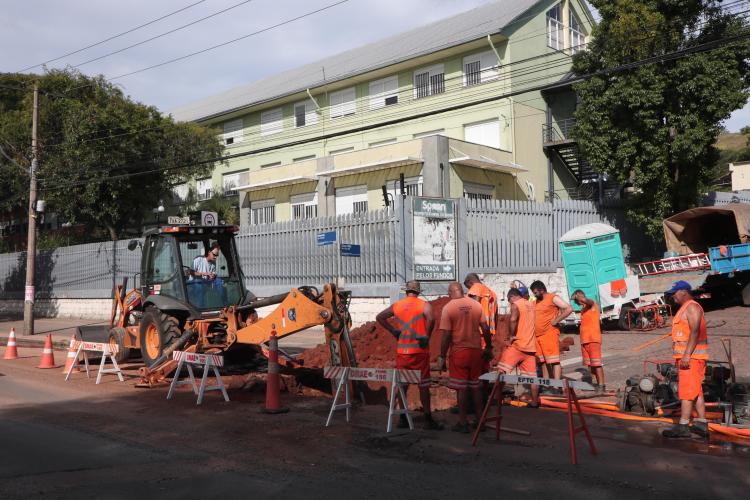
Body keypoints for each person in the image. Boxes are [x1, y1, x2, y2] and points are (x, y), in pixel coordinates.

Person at [376, 280, 443, 430]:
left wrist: (393, 331)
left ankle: (402, 418)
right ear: (418, 292)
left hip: (403, 353)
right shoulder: (424, 305)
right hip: (419, 352)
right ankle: (427, 418)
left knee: (402, 386)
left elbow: (380, 317)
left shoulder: (397, 306)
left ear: (406, 291)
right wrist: (426, 336)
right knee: (423, 385)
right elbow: (432, 318)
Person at [437, 282, 492, 433]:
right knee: (476, 387)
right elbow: (485, 328)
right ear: (462, 291)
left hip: (459, 352)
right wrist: (489, 346)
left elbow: (446, 335)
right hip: (476, 352)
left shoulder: (448, 308)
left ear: (450, 292)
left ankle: (463, 422)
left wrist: (442, 355)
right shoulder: (475, 305)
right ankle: (480, 421)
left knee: (461, 388)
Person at [662, 281, 710, 439]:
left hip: (692, 358)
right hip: (692, 357)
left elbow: (695, 331)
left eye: (674, 293)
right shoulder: (687, 307)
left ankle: (683, 426)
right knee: (696, 391)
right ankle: (701, 423)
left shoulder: (692, 307)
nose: (673, 296)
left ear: (683, 291)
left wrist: (687, 355)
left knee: (687, 393)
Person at [496, 288, 540, 407]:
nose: (509, 303)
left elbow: (513, 320)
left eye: (509, 300)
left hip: (518, 345)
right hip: (530, 347)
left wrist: (511, 336)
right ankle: (535, 402)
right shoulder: (531, 304)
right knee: (532, 378)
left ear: (513, 297)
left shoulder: (516, 305)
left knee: (501, 370)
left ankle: (497, 398)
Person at [530, 280, 572, 380]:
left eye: (535, 293)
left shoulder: (552, 298)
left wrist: (556, 320)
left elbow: (569, 308)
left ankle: (556, 387)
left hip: (549, 334)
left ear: (542, 290)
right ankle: (547, 384)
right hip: (538, 336)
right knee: (543, 362)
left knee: (554, 361)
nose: (534, 295)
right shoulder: (536, 301)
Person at [572, 290, 605, 391]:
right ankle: (594, 384)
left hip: (593, 339)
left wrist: (580, 298)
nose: (577, 303)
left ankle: (602, 385)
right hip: (585, 341)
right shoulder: (583, 309)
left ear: (580, 296)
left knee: (596, 364)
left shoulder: (592, 304)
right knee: (590, 365)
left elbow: (589, 302)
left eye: (576, 300)